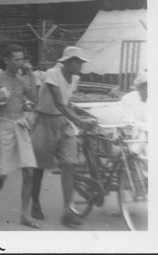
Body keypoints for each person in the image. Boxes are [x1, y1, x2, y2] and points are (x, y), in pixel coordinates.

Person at [29, 46, 94, 228]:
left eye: (81, 62)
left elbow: (67, 103)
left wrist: (83, 116)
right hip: (44, 120)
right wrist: (79, 121)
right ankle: (35, 202)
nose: (80, 65)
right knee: (40, 166)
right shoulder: (52, 73)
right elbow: (58, 102)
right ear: (67, 62)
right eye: (77, 61)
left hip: (63, 123)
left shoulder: (75, 79)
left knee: (69, 164)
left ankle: (68, 211)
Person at [0, 44, 40, 229]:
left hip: (21, 124)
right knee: (2, 174)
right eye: (17, 59)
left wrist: (31, 74)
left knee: (29, 170)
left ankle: (24, 214)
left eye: (22, 59)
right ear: (7, 60)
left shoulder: (22, 79)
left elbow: (35, 98)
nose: (20, 62)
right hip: (4, 125)